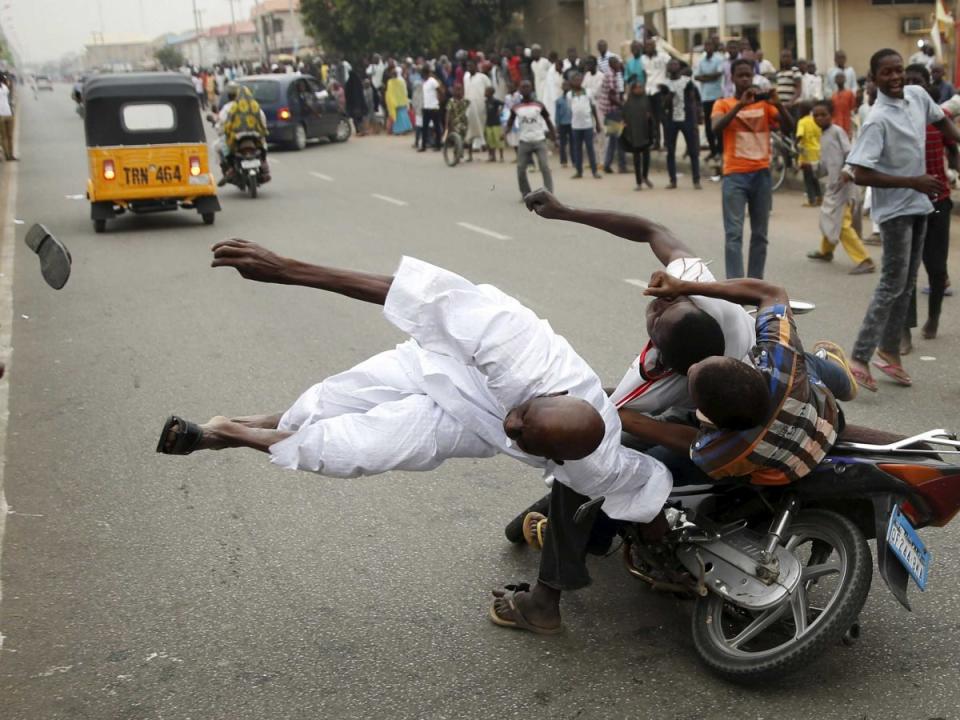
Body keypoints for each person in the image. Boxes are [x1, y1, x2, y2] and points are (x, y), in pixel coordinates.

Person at [158, 242, 673, 634]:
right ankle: (233, 429)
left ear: (556, 454)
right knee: (330, 401)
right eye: (521, 418)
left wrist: (662, 541)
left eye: (524, 438)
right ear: (539, 393)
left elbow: (642, 491)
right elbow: (413, 294)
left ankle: (232, 434)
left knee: (355, 449)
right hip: (445, 365)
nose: (513, 427)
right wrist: (286, 270)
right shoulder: (520, 350)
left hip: (468, 424)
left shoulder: (593, 465)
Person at [497, 190, 751, 634]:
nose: (652, 308)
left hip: (726, 431)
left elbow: (709, 442)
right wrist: (567, 211)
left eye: (656, 320)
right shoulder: (704, 293)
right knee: (618, 433)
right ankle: (600, 536)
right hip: (733, 396)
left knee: (581, 462)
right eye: (662, 306)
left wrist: (630, 421)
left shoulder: (671, 380)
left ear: (673, 368)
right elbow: (650, 230)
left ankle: (544, 602)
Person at [636, 270, 850, 486]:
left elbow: (689, 443)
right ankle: (844, 382)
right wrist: (684, 286)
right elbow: (771, 292)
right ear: (753, 369)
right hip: (827, 420)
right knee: (804, 362)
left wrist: (623, 415)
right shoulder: (781, 361)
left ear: (711, 420)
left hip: (780, 475)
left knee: (654, 463)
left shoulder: (714, 454)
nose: (692, 367)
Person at [845, 49, 960, 392]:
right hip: (895, 210)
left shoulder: (917, 95)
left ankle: (890, 352)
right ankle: (859, 357)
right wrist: (913, 181)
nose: (895, 78)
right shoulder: (877, 118)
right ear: (874, 78)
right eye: (887, 73)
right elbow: (860, 173)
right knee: (890, 284)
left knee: (907, 284)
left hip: (919, 204)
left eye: (898, 71)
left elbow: (942, 122)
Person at [712, 59, 793, 278]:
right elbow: (716, 127)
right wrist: (740, 105)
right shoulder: (723, 103)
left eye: (749, 75)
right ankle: (736, 287)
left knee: (760, 235)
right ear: (733, 78)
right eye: (741, 76)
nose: (746, 80)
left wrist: (779, 104)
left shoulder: (765, 105)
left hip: (761, 175)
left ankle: (755, 285)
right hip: (734, 175)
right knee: (734, 235)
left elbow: (789, 127)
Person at [904, 63, 957, 343]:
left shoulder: (939, 118)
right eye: (908, 80)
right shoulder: (896, 120)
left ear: (927, 86)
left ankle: (934, 317)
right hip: (907, 204)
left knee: (936, 269)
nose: (913, 85)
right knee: (907, 273)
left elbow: (953, 148)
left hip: (939, 202)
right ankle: (904, 333)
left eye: (918, 81)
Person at [805, 100, 875, 275]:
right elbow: (825, 163)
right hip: (833, 185)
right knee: (829, 217)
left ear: (831, 115)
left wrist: (847, 171)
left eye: (823, 114)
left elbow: (850, 153)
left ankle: (864, 259)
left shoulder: (837, 132)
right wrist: (813, 167)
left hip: (844, 185)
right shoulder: (822, 135)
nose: (819, 118)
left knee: (841, 223)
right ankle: (826, 251)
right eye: (816, 115)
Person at [506, 80, 556, 198]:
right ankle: (526, 193)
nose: (525, 89)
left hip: (539, 140)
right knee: (520, 168)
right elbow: (510, 122)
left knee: (544, 166)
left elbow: (548, 120)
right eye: (523, 87)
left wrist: (554, 136)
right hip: (524, 141)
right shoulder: (516, 107)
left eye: (527, 87)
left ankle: (548, 193)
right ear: (520, 90)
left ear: (531, 88)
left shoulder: (539, 105)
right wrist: (505, 132)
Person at [661, 58, 701, 190]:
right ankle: (673, 180)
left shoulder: (687, 81)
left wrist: (695, 119)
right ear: (667, 68)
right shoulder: (665, 84)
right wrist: (670, 95)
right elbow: (664, 105)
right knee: (670, 151)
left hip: (687, 119)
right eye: (670, 64)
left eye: (675, 64)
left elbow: (693, 100)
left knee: (693, 150)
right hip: (671, 120)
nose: (673, 66)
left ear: (679, 67)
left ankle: (696, 180)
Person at [566, 73, 602, 179]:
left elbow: (593, 107)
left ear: (582, 80)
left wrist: (597, 123)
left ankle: (594, 171)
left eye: (579, 79)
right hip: (576, 125)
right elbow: (570, 108)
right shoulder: (569, 94)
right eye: (575, 80)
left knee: (590, 148)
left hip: (588, 125)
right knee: (578, 149)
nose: (577, 82)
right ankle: (579, 171)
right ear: (571, 82)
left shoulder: (588, 92)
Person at [620, 81, 654, 190]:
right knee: (636, 158)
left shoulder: (646, 99)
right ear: (633, 89)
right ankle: (638, 182)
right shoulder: (628, 102)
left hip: (645, 132)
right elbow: (624, 117)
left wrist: (650, 119)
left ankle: (645, 176)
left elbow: (651, 114)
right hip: (633, 133)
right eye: (637, 87)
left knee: (646, 157)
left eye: (641, 87)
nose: (639, 89)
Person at [695, 37, 724, 160]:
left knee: (718, 124)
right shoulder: (701, 60)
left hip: (717, 96)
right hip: (706, 97)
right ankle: (713, 150)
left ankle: (720, 149)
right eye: (706, 45)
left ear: (714, 47)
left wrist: (705, 77)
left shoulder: (719, 59)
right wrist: (708, 77)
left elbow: (717, 75)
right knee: (708, 126)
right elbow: (697, 76)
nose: (708, 48)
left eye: (710, 45)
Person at [599, 56, 627, 174]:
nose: (619, 65)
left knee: (613, 139)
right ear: (612, 64)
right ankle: (622, 166)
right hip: (612, 110)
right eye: (617, 63)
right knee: (619, 138)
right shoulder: (611, 75)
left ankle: (607, 164)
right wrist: (622, 106)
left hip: (609, 110)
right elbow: (611, 96)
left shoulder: (613, 74)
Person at [641, 38, 670, 148]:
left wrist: (666, 82)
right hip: (649, 90)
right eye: (647, 45)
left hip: (659, 90)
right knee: (653, 119)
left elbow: (671, 64)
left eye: (650, 45)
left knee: (663, 117)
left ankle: (667, 143)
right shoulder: (643, 59)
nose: (648, 47)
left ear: (654, 46)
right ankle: (656, 142)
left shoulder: (662, 56)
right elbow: (645, 74)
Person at [795, 101, 823, 207]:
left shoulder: (802, 122)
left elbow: (800, 135)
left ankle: (811, 200)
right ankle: (819, 197)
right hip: (817, 151)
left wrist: (795, 144)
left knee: (808, 178)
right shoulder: (815, 121)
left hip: (806, 153)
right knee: (814, 177)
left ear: (802, 110)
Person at [463, 60, 490, 150]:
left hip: (480, 103)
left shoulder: (482, 77)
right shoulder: (466, 77)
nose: (469, 68)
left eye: (471, 66)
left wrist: (486, 98)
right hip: (468, 103)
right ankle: (472, 142)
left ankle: (481, 142)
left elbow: (489, 88)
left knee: (480, 122)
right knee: (471, 123)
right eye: (468, 66)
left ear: (476, 66)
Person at [444, 84, 472, 162]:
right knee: (458, 140)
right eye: (456, 90)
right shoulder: (451, 101)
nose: (458, 92)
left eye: (460, 90)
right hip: (455, 124)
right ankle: (457, 155)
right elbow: (448, 113)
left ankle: (470, 155)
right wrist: (447, 126)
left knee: (469, 139)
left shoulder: (466, 101)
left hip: (465, 123)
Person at [418, 66, 442, 151]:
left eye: (422, 74)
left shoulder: (433, 81)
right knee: (424, 128)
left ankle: (438, 146)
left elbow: (440, 91)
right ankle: (423, 146)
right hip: (426, 107)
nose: (421, 76)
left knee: (436, 127)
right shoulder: (424, 83)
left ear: (426, 73)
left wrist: (438, 101)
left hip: (434, 107)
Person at [384, 68, 412, 135]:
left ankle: (398, 130)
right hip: (402, 101)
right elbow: (404, 91)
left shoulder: (390, 82)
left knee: (397, 117)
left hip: (395, 102)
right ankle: (405, 129)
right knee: (403, 115)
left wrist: (391, 101)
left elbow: (389, 93)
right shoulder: (401, 81)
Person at [554, 81, 573, 168]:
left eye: (567, 85)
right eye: (564, 85)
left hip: (572, 123)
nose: (566, 87)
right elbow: (557, 114)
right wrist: (557, 124)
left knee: (573, 143)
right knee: (563, 143)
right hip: (562, 123)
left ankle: (574, 160)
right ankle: (563, 161)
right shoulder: (559, 100)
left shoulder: (572, 98)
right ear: (562, 87)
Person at [831, 72, 856, 138]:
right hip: (836, 122)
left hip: (847, 122)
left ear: (845, 79)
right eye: (837, 78)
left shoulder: (850, 93)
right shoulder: (833, 96)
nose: (839, 79)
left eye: (841, 77)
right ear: (835, 81)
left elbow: (853, 108)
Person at [483, 86, 505, 162]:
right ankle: (493, 156)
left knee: (498, 140)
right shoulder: (486, 101)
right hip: (488, 123)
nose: (484, 93)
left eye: (486, 92)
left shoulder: (495, 101)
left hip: (496, 123)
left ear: (491, 93)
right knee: (490, 140)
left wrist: (500, 111)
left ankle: (501, 157)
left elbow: (503, 103)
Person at [0, 73, 15, 161]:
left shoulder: (5, 88)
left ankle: (7, 155)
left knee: (3, 137)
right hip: (8, 113)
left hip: (1, 116)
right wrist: (7, 80)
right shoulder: (5, 88)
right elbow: (10, 87)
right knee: (9, 137)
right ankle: (10, 154)